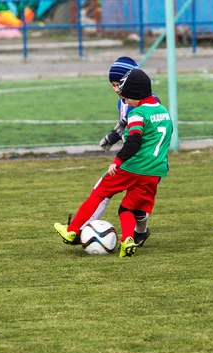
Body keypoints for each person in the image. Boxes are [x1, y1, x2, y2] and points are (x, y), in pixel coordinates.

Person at [54, 68, 173, 257]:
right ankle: (127, 240)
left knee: (99, 192)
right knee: (127, 208)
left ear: (135, 95)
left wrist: (117, 161)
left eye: (126, 98)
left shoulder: (138, 113)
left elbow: (134, 140)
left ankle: (72, 231)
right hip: (154, 172)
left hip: (132, 167)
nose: (124, 101)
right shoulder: (164, 112)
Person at [82, 56, 151, 247]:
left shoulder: (146, 104)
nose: (116, 89)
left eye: (118, 84)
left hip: (142, 161)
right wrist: (112, 137)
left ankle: (140, 232)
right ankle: (86, 228)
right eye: (112, 85)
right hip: (132, 160)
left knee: (131, 205)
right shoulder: (123, 102)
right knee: (105, 191)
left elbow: (142, 131)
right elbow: (124, 123)